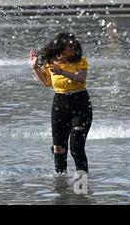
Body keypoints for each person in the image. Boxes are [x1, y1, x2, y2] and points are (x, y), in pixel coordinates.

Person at [29, 33, 93, 175]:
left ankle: (82, 183)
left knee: (76, 147)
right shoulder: (50, 62)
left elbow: (81, 78)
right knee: (58, 148)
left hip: (80, 104)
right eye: (70, 45)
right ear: (61, 47)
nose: (73, 47)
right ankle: (61, 182)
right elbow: (47, 82)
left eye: (74, 44)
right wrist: (35, 68)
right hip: (60, 104)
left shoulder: (80, 60)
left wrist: (61, 71)